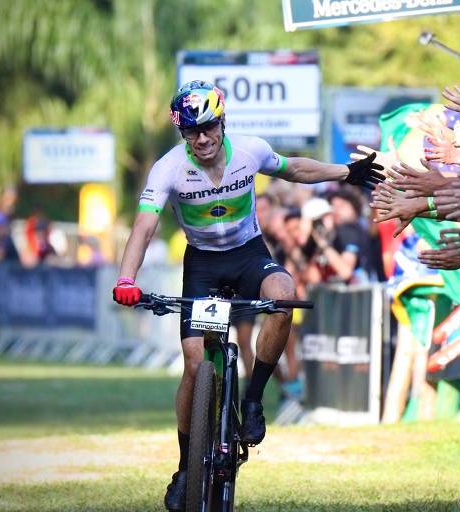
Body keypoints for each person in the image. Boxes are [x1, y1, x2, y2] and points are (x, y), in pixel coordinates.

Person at [110, 80, 383, 512]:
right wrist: (126, 279)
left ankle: (253, 401)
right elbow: (144, 226)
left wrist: (346, 173)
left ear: (222, 122)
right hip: (201, 263)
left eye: (208, 128)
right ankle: (185, 468)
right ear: (181, 134)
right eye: (191, 132)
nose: (201, 139)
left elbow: (294, 169)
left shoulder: (250, 150)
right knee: (195, 362)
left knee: (284, 294)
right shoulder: (168, 168)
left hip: (248, 254)